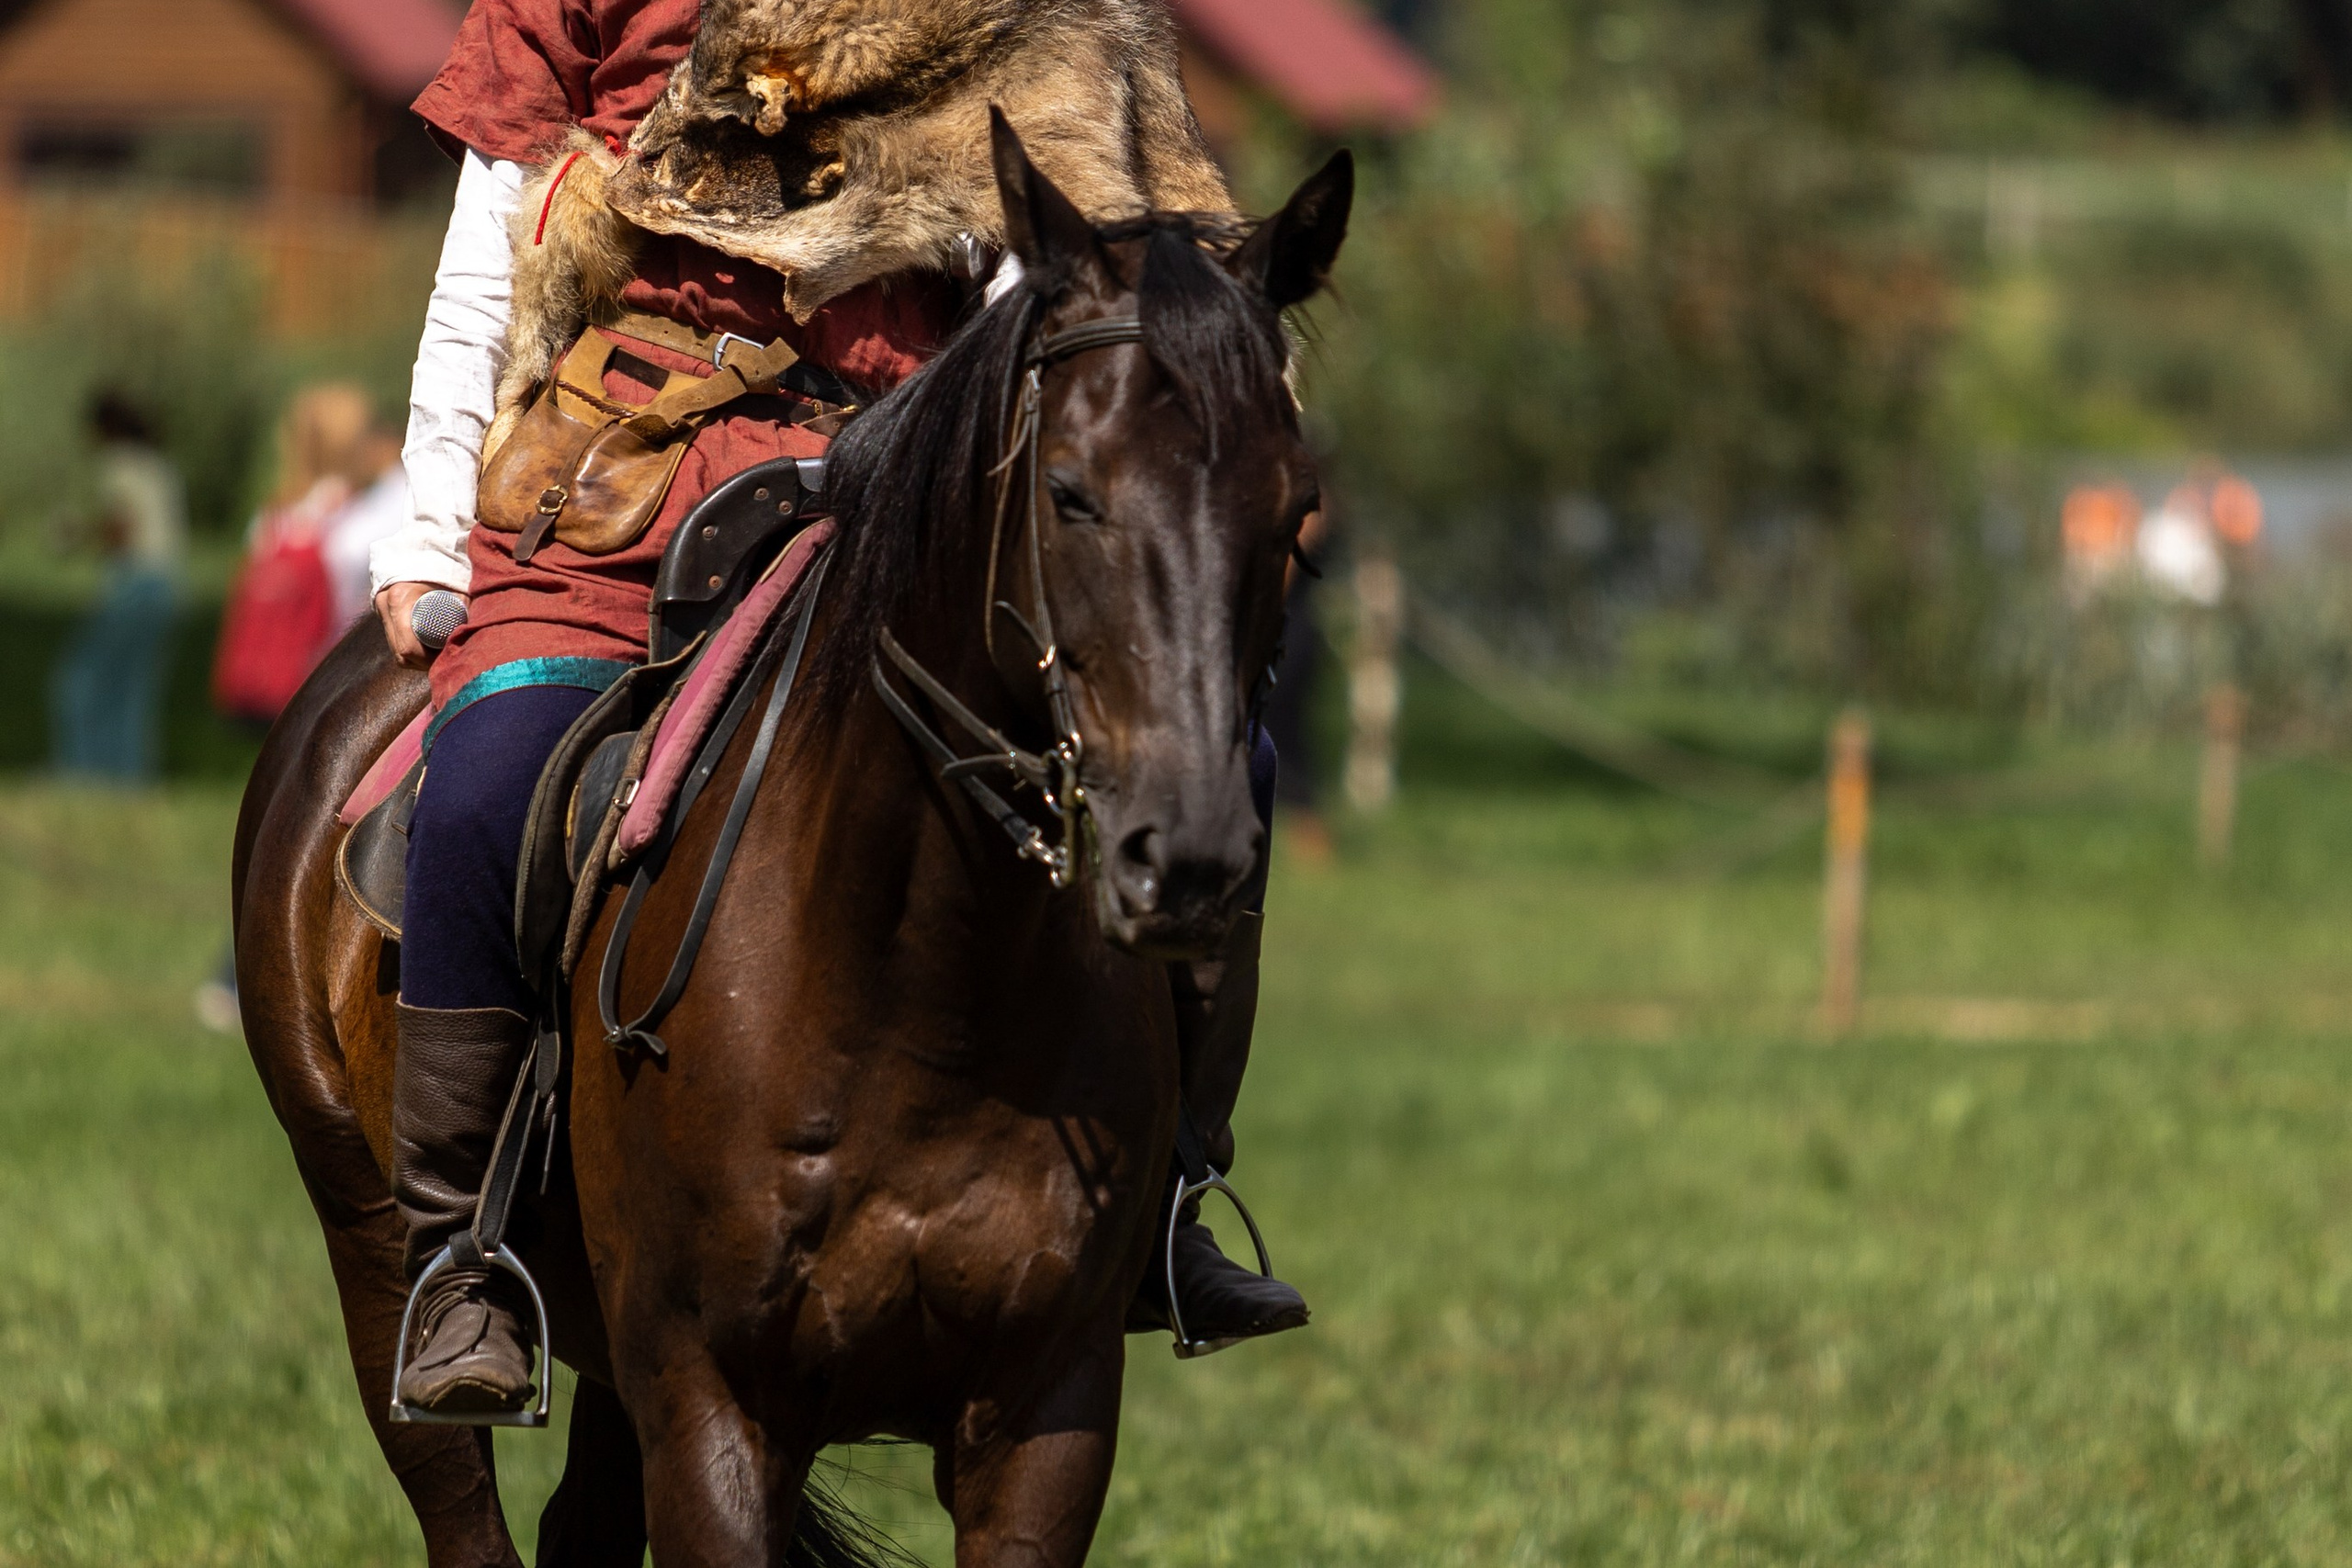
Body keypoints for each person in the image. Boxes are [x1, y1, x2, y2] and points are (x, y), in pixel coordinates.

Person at [369, 0, 1306, 1417]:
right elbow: (487, 235)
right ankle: (463, 1253)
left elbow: (1065, 273)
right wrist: (432, 521)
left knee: (1231, 757)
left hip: (902, 472)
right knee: (493, 773)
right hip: (609, 475)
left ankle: (1167, 1198)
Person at [51, 391, 186, 782]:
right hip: (167, 585)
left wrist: (74, 535)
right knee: (133, 689)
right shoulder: (158, 465)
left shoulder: (118, 465)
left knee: (80, 681)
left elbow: (122, 530)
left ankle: (81, 771)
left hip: (135, 584)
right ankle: (128, 777)